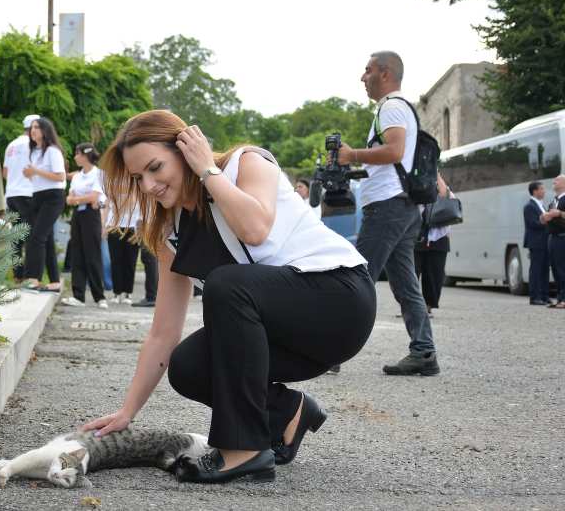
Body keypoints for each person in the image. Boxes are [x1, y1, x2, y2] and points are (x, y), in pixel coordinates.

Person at [83, 110, 376, 484]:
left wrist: (208, 171)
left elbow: (255, 229)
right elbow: (163, 332)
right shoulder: (169, 229)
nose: (150, 185)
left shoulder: (246, 163)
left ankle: (244, 449)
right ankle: (286, 413)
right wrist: (128, 412)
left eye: (156, 168)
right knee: (189, 365)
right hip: (287, 336)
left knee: (227, 284)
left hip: (339, 302)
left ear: (185, 148)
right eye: (139, 178)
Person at [338, 50, 439, 376]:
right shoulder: (399, 108)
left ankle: (328, 350)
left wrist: (351, 154)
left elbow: (394, 150)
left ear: (384, 73)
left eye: (367, 70)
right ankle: (424, 352)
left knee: (357, 279)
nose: (362, 77)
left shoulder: (392, 107)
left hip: (389, 206)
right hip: (403, 205)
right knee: (405, 283)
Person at [60, 143, 108, 308]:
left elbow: (94, 198)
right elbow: (69, 198)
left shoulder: (99, 174)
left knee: (92, 255)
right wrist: (81, 198)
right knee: (77, 254)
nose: (75, 157)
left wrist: (78, 199)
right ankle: (78, 296)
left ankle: (99, 296)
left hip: (92, 215)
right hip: (78, 216)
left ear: (85, 155)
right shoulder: (77, 176)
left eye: (77, 154)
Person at [22, 117, 67, 292]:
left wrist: (35, 171)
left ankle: (34, 278)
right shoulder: (34, 151)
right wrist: (30, 174)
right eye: (31, 128)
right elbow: (39, 175)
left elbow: (60, 176)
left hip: (53, 197)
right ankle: (55, 282)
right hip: (38, 196)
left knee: (37, 237)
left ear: (45, 131)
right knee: (45, 240)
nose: (32, 131)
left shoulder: (52, 151)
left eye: (36, 128)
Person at [3, 115, 37, 283]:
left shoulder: (12, 145)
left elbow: (5, 172)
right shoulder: (33, 145)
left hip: (11, 193)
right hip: (28, 193)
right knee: (32, 235)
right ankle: (31, 275)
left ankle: (18, 275)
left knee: (16, 237)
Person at [414, 173, 453, 317]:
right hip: (416, 237)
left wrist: (435, 172)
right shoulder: (416, 188)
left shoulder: (443, 191)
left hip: (438, 239)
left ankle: (428, 305)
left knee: (434, 275)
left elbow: (444, 194)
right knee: (411, 272)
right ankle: (409, 304)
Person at [107, 203, 159, 307]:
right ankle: (151, 296)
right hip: (140, 223)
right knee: (148, 260)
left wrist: (139, 225)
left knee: (148, 259)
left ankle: (151, 296)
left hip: (144, 223)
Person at [524, 181, 551, 305]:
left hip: (545, 242)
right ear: (535, 191)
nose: (544, 191)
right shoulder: (529, 206)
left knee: (545, 269)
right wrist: (545, 220)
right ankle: (534, 297)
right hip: (536, 242)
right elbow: (532, 224)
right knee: (536, 270)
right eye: (541, 189)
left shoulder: (541, 205)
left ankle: (544, 295)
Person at [540, 175, 565, 308]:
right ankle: (560, 298)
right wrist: (544, 217)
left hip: (562, 237)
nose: (553, 182)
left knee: (562, 269)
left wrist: (559, 213)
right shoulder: (554, 200)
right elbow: (547, 218)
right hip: (553, 238)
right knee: (555, 269)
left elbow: (559, 215)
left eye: (557, 180)